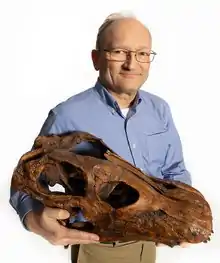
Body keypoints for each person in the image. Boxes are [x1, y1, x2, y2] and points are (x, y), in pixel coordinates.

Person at [9, 12, 192, 263]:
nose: (132, 63)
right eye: (118, 52)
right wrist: (34, 220)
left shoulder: (159, 110)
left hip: (151, 243)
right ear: (96, 59)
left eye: (142, 53)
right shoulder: (67, 115)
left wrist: (183, 213)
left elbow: (175, 170)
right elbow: (24, 179)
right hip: (100, 248)